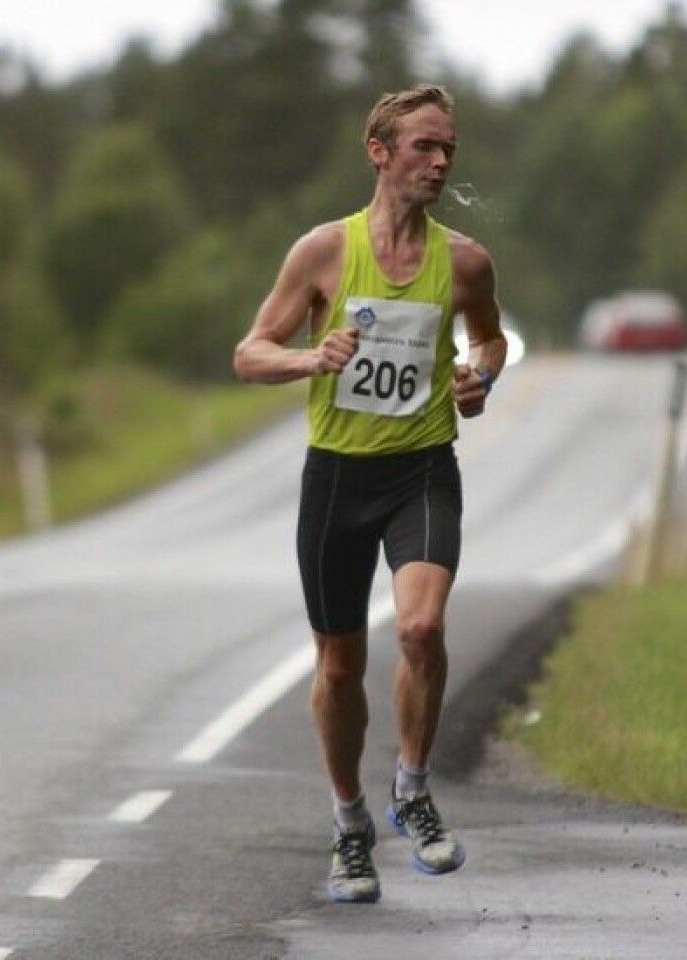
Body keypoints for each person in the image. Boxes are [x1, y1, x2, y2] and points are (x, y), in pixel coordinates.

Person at [233, 84, 507, 904]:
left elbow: (491, 337)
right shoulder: (322, 252)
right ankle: (350, 823)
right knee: (339, 664)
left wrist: (481, 377)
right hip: (337, 479)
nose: (441, 161)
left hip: (422, 468)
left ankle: (412, 788)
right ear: (380, 153)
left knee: (421, 625)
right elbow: (251, 352)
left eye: (449, 148)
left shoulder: (465, 261)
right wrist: (310, 359)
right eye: (425, 146)